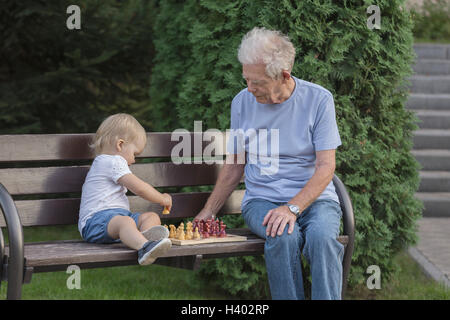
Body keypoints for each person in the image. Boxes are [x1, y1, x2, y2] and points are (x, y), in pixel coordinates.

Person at [195, 27, 343, 299]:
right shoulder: (242, 102)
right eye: (246, 80)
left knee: (322, 239)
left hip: (317, 199)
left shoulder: (319, 100)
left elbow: (326, 167)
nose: (250, 88)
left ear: (283, 75)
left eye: (257, 82)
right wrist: (209, 210)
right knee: (282, 236)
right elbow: (235, 164)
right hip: (262, 199)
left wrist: (292, 207)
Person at [78, 113, 172, 265]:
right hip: (95, 223)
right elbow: (140, 189)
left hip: (118, 219)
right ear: (120, 145)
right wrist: (162, 198)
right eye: (135, 154)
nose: (134, 160)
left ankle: (143, 240)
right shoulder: (111, 162)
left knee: (151, 217)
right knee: (126, 222)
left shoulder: (109, 162)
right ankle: (144, 247)